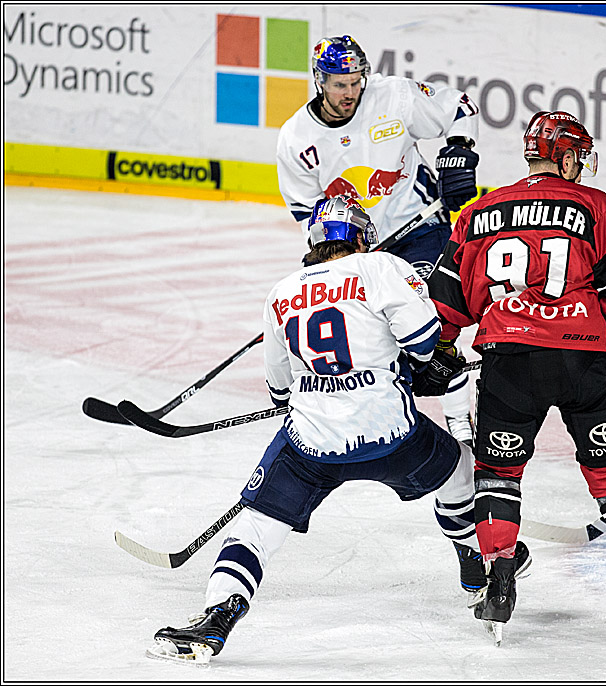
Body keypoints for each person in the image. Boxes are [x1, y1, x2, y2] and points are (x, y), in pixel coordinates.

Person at [146, 197, 515, 664]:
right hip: (391, 435)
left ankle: (218, 616)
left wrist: (318, 393)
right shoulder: (380, 267)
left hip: (311, 442)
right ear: (361, 236)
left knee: (257, 526)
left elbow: (280, 390)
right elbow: (424, 343)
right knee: (461, 470)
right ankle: (471, 567)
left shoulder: (281, 292)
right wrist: (408, 367)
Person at [423, 111, 606, 648]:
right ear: (564, 154)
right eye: (578, 155)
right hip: (585, 360)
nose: (583, 165)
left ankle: (499, 582)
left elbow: (446, 306)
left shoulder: (478, 210)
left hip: (510, 360)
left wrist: (440, 348)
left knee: (498, 474)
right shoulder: (599, 205)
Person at [276, 34, 479, 447]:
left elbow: (460, 106)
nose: (349, 92)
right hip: (356, 252)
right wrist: (325, 255)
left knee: (430, 317)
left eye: (355, 81)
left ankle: (460, 419)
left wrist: (459, 150)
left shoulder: (393, 97)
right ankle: (378, 403)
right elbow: (305, 213)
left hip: (420, 229)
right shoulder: (296, 138)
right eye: (338, 83)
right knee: (373, 332)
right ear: (319, 80)